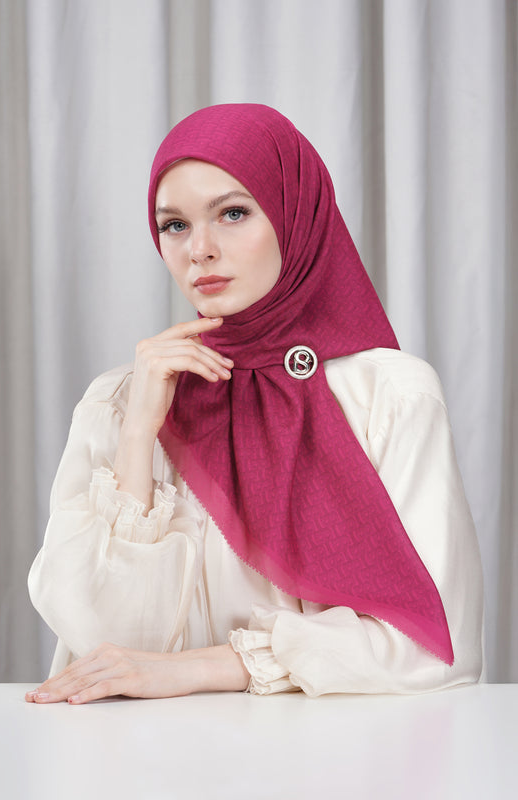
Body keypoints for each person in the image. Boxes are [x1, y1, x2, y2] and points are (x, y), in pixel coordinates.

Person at [26, 103, 484, 705]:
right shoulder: (120, 401)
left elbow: (437, 647)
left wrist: (207, 667)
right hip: (145, 752)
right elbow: (100, 640)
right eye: (175, 225)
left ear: (296, 215)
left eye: (233, 213)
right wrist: (138, 433)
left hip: (331, 754)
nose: (200, 250)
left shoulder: (388, 395)